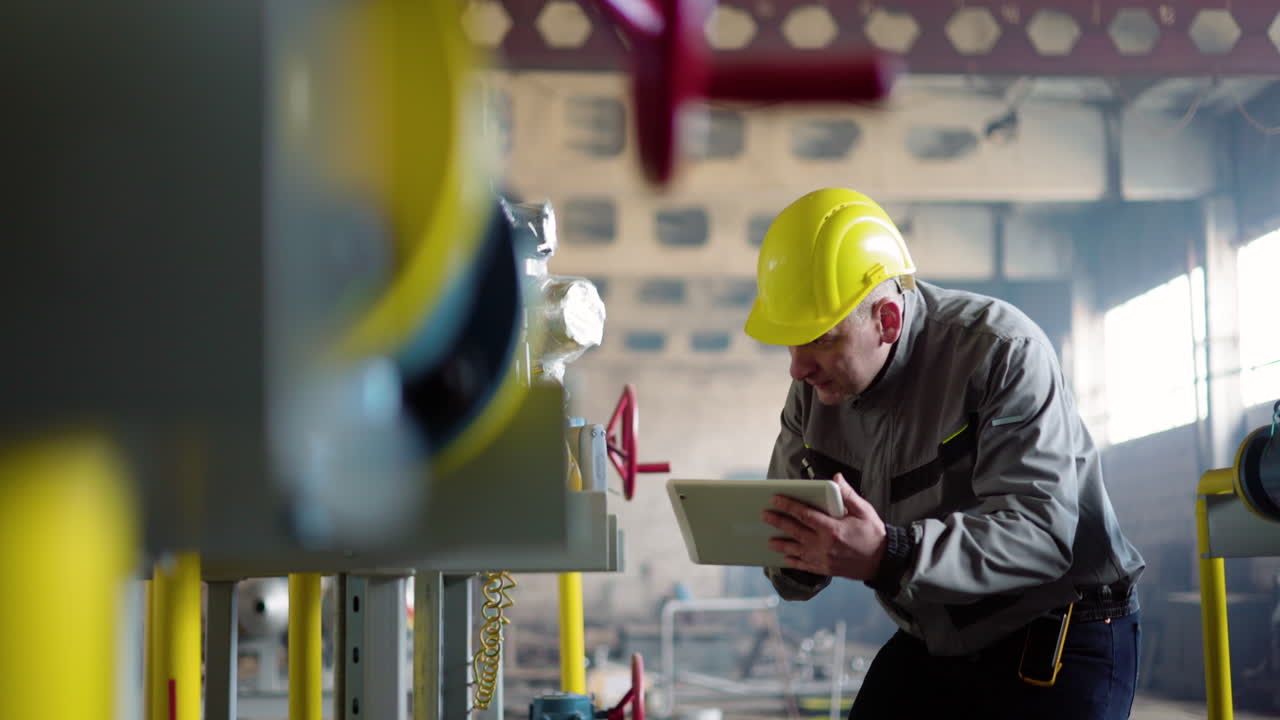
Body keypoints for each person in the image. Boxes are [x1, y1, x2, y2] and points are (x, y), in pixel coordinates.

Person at [746, 188, 1146, 719]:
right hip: (937, 630)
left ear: (887, 320)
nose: (798, 368)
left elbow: (1039, 534)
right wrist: (797, 554)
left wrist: (888, 553)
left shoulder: (1001, 352)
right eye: (790, 343)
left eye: (819, 339)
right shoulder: (814, 392)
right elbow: (790, 566)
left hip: (1060, 628)